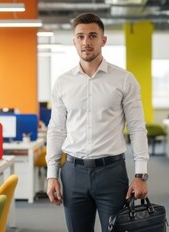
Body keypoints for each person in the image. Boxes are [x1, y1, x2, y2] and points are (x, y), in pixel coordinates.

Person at [45, 13, 149, 232]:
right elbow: (56, 130)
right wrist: (52, 175)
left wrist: (140, 174)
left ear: (103, 39)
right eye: (80, 36)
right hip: (73, 172)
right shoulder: (63, 82)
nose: (86, 42)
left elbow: (138, 129)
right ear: (74, 41)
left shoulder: (124, 79)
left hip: (111, 172)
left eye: (92, 35)